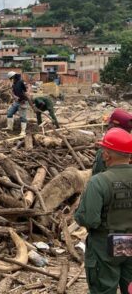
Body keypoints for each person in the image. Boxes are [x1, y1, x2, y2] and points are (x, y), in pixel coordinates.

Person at [74, 128, 132, 294]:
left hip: (104, 244)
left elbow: (89, 219)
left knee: (103, 288)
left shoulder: (98, 182)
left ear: (106, 155)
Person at [92, 109, 132, 175]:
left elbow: (97, 175)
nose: (108, 126)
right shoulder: (129, 145)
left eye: (110, 123)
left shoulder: (104, 151)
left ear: (114, 126)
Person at [5, 71, 34, 136]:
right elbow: (13, 92)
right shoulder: (14, 83)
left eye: (11, 78)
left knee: (23, 117)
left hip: (22, 102)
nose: (11, 80)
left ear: (13, 77)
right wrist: (13, 95)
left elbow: (25, 91)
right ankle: (10, 127)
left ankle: (23, 131)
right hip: (16, 101)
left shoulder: (20, 82)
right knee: (9, 113)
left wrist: (24, 97)